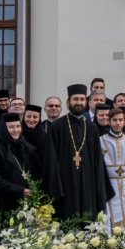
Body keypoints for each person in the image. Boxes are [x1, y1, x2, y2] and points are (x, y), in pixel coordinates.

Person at [39, 84, 114, 223]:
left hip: (88, 184)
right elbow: (51, 160)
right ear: (68, 102)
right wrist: (56, 189)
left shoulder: (92, 127)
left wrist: (99, 190)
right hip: (65, 186)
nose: (79, 102)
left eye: (81, 99)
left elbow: (98, 161)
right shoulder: (57, 126)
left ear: (86, 102)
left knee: (88, 223)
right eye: (75, 99)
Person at [0, 112, 36, 217]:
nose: (16, 130)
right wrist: (20, 190)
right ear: (4, 129)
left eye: (18, 126)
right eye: (11, 127)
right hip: (5, 204)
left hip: (29, 201)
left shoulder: (28, 148)